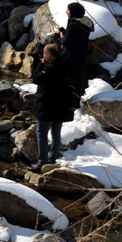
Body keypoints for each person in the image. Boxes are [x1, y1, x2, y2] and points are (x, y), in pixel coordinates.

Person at [31, 43, 78, 171]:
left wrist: (41, 64)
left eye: (44, 54)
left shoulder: (50, 68)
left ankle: (42, 162)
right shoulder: (66, 63)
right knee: (56, 133)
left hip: (48, 105)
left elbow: (36, 78)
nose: (43, 56)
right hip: (62, 106)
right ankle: (52, 159)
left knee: (42, 133)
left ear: (49, 55)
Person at [59, 1, 95, 98]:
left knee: (70, 79)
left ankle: (71, 101)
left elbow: (67, 43)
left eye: (68, 10)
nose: (66, 12)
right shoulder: (85, 23)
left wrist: (62, 36)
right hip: (81, 55)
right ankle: (79, 98)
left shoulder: (74, 24)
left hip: (71, 57)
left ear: (72, 11)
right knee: (80, 78)